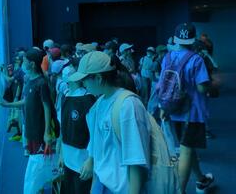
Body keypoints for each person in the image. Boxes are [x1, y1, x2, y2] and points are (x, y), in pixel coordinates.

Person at [69, 51, 151, 194]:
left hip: (122, 188)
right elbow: (100, 146)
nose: (82, 83)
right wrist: (91, 160)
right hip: (102, 183)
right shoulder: (99, 104)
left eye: (85, 79)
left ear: (99, 78)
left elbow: (135, 159)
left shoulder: (128, 105)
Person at [159, 23, 214, 194]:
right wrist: (210, 85)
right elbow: (202, 88)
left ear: (176, 39)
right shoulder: (196, 59)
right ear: (192, 39)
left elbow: (162, 85)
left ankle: (201, 180)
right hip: (192, 113)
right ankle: (179, 191)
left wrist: (162, 107)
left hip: (173, 111)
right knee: (186, 152)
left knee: (187, 148)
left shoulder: (167, 58)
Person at [0, 48, 60, 193]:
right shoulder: (30, 82)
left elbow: (47, 108)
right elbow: (25, 101)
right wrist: (7, 104)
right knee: (40, 168)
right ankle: (42, 189)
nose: (22, 64)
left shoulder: (41, 83)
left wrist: (47, 132)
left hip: (40, 133)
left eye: (25, 61)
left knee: (45, 167)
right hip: (32, 132)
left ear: (32, 64)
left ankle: (51, 188)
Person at [59, 64, 96, 194]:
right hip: (67, 154)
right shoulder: (66, 96)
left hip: (82, 157)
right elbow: (62, 128)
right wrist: (61, 153)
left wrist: (91, 160)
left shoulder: (88, 99)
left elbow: (94, 134)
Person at [147, 45, 168, 117]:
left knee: (157, 100)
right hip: (156, 83)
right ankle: (150, 115)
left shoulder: (161, 61)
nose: (166, 53)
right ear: (160, 53)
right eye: (165, 52)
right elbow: (156, 75)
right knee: (153, 100)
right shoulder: (156, 62)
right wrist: (165, 78)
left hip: (159, 83)